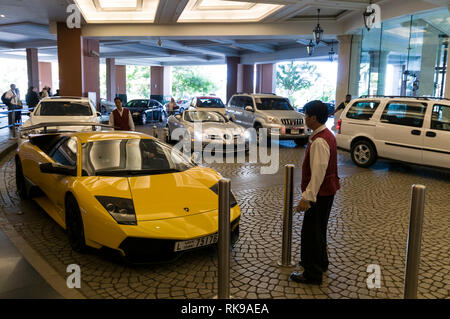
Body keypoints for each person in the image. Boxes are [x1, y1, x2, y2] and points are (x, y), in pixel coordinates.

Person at [290, 100, 340, 285]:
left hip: (320, 194)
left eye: (306, 115)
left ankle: (312, 273)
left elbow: (318, 172)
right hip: (328, 191)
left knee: (311, 233)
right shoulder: (326, 135)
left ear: (313, 118)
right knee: (318, 230)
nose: (305, 118)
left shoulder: (320, 141)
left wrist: (307, 197)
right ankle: (321, 262)